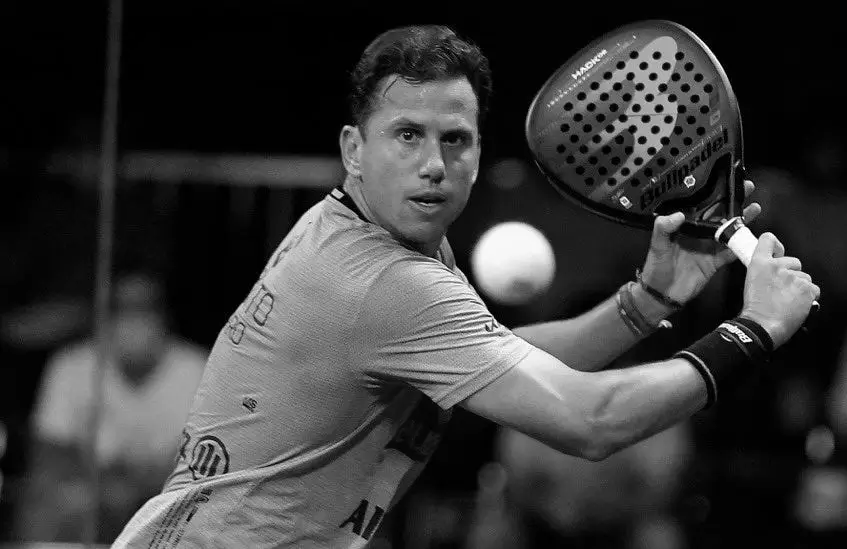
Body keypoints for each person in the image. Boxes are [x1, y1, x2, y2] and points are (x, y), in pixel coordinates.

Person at [111, 24, 820, 548]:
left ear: (479, 154)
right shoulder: (384, 283)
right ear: (353, 150)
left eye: (455, 139)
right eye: (406, 135)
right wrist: (751, 330)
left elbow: (500, 358)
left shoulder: (362, 230)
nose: (433, 164)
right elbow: (590, 420)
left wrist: (649, 300)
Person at [13, 270, 207, 543]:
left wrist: (140, 486)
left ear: (165, 315)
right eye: (122, 308)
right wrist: (102, 486)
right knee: (49, 500)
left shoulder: (198, 368)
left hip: (167, 496)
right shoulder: (72, 365)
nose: (133, 320)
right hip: (90, 496)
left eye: (144, 308)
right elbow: (47, 454)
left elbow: (213, 462)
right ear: (104, 317)